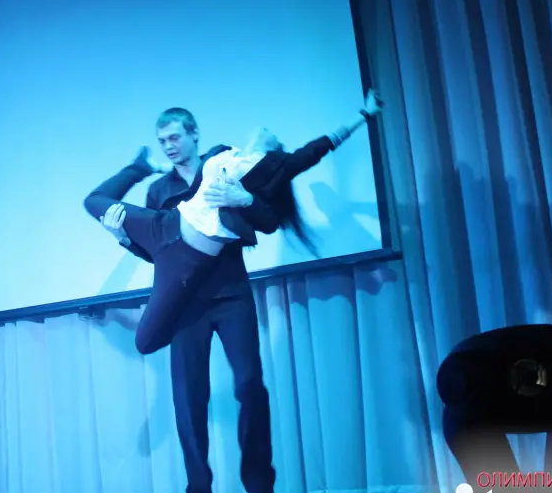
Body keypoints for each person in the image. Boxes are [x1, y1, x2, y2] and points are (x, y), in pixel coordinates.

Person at [84, 89, 383, 357]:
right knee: (94, 202)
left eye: (173, 139)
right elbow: (187, 174)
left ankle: (174, 317)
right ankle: (138, 168)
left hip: (187, 261)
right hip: (165, 226)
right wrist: (122, 236)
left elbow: (319, 148)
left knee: (145, 342)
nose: (264, 129)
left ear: (274, 145)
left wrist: (364, 115)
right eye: (163, 141)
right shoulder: (221, 153)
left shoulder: (272, 170)